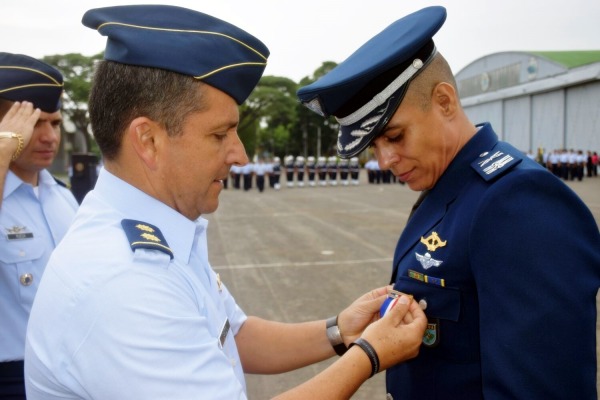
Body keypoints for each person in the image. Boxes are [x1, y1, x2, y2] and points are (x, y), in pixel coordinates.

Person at [24, 5, 427, 400]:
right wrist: (369, 356)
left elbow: (234, 335)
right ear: (148, 141)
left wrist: (340, 330)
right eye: (220, 135)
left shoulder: (159, 230)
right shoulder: (123, 282)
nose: (240, 155)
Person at [297, 6, 600, 399]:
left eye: (394, 136)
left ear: (444, 102)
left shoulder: (519, 203)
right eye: (374, 146)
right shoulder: (448, 187)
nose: (384, 161)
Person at [0, 53, 78, 399]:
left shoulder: (63, 198)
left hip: (73, 369)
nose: (49, 137)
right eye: (34, 123)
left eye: (56, 123)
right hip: (11, 380)